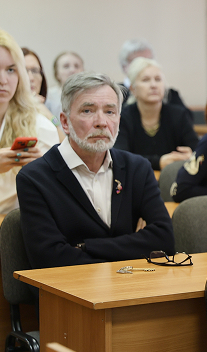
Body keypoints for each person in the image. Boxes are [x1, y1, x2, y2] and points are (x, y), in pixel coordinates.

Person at [17, 72, 174, 269]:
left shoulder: (137, 168)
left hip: (133, 284)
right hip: (70, 287)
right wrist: (131, 246)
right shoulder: (35, 178)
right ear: (65, 122)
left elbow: (164, 240)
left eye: (110, 112)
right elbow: (50, 258)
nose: (101, 122)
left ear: (119, 119)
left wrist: (85, 247)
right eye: (87, 111)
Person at [0, 27, 59, 216]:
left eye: (11, 70)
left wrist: (42, 174)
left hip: (22, 230)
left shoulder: (42, 127)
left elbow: (55, 202)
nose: (2, 80)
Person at [114, 57, 198, 170]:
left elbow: (198, 150)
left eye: (158, 79)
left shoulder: (178, 114)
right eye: (146, 80)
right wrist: (159, 162)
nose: (153, 85)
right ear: (133, 89)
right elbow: (121, 157)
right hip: (136, 178)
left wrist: (192, 155)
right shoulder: (123, 117)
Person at [118, 38, 186, 107]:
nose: (145, 67)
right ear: (124, 66)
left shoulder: (170, 95)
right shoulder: (116, 93)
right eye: (137, 62)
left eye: (149, 61)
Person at [22, 47, 66, 141]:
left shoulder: (54, 107)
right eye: (24, 71)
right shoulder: (4, 108)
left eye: (35, 71)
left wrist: (45, 112)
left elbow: (64, 145)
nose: (30, 78)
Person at [45, 51, 84, 116]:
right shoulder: (48, 96)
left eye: (76, 66)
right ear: (57, 73)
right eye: (66, 66)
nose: (72, 70)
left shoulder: (91, 95)